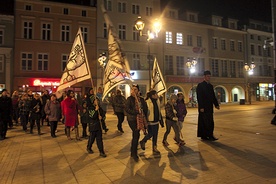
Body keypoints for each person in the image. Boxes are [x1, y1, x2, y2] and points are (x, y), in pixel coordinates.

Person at [125, 84, 148, 162]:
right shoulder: (129, 99)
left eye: (135, 89)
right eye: (133, 89)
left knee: (136, 135)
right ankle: (134, 153)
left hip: (140, 119)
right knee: (136, 135)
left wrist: (142, 108)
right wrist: (136, 112)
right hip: (132, 120)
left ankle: (133, 151)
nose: (134, 91)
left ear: (138, 91)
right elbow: (127, 109)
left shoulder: (141, 99)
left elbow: (145, 108)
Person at [196, 70, 220, 141]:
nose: (209, 77)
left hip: (209, 107)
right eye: (207, 76)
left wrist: (216, 104)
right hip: (203, 107)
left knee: (210, 121)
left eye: (209, 76)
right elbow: (199, 97)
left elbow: (213, 96)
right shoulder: (200, 85)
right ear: (204, 77)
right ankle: (204, 135)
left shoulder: (210, 86)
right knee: (203, 122)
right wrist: (201, 107)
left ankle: (210, 134)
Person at [139, 90, 164, 154]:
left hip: (156, 121)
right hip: (150, 121)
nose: (157, 95)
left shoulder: (157, 101)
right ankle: (143, 141)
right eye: (156, 94)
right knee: (151, 134)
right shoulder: (147, 102)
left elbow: (159, 111)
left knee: (155, 135)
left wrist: (161, 121)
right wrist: (145, 122)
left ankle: (154, 147)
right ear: (152, 95)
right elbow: (144, 112)